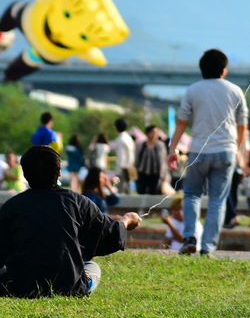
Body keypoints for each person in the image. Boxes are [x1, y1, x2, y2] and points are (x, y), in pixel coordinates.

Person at [0, 145, 140, 297]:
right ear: (59, 173)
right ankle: (84, 287)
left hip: (21, 286)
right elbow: (109, 233)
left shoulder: (12, 206)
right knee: (92, 266)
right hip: (68, 285)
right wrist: (127, 220)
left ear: (25, 174)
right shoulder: (77, 202)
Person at [168, 49, 248, 256]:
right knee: (217, 201)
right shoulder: (235, 91)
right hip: (226, 151)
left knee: (191, 195)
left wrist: (173, 149)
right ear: (224, 70)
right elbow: (243, 126)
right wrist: (237, 148)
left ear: (202, 69)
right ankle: (208, 247)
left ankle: (189, 238)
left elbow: (182, 122)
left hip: (198, 151)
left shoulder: (192, 90)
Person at [135, 125, 169, 196]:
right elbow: (137, 159)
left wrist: (164, 175)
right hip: (142, 173)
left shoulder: (160, 146)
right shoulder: (141, 145)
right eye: (152, 132)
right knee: (141, 193)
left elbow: (163, 161)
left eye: (156, 133)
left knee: (154, 194)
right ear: (147, 133)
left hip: (155, 174)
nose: (154, 134)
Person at [110, 117, 136, 195]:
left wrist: (118, 171)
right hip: (129, 167)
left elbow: (121, 156)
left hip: (123, 169)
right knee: (127, 190)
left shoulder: (120, 139)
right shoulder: (128, 137)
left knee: (121, 192)